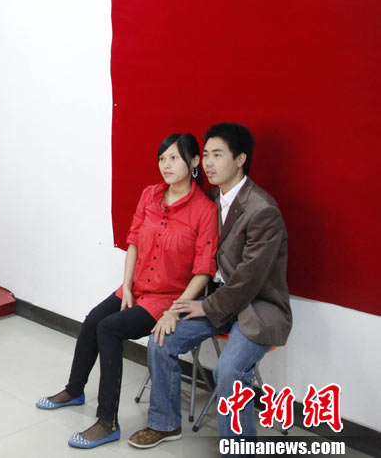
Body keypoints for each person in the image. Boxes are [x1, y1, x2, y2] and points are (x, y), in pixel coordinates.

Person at [36, 133, 218, 449]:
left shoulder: (204, 210)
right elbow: (133, 242)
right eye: (162, 158)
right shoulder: (150, 195)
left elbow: (203, 271)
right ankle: (74, 390)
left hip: (166, 298)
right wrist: (128, 286)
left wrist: (175, 310)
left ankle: (107, 422)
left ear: (194, 162)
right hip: (135, 288)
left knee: (109, 329)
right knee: (93, 319)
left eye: (174, 158)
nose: (166, 165)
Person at [128, 122, 292, 448]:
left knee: (228, 371)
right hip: (215, 301)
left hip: (257, 307)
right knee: (161, 341)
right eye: (205, 155)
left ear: (241, 159)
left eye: (218, 155)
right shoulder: (209, 199)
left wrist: (204, 306)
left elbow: (248, 281)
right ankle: (165, 424)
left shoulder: (263, 210)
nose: (208, 163)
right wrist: (175, 304)